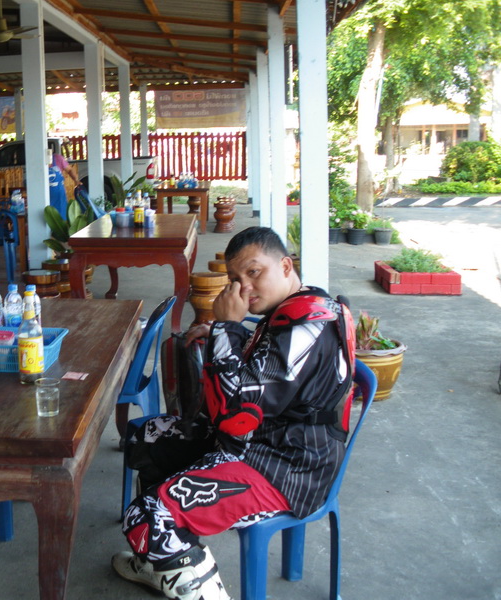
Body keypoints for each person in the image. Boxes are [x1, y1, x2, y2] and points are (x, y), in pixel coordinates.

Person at [112, 226, 356, 600]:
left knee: (147, 518)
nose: (244, 288)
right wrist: (220, 334)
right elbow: (268, 371)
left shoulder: (309, 325)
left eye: (254, 272)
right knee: (149, 434)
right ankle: (159, 562)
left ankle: (172, 550)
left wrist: (227, 326)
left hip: (288, 468)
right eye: (235, 279)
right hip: (260, 443)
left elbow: (236, 414)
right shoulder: (292, 309)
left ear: (285, 266)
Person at [48, 147, 80, 220]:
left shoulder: (58, 158)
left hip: (58, 196)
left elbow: (70, 170)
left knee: (61, 217)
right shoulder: (37, 160)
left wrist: (76, 180)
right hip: (43, 196)